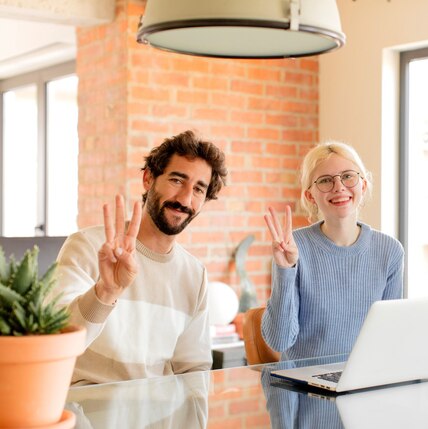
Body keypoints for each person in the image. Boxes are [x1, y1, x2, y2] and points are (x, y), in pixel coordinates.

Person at [55, 130, 228, 385]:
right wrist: (105, 292)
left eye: (199, 189)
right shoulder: (87, 247)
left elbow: (194, 373)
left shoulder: (194, 274)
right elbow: (57, 341)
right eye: (177, 180)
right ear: (148, 178)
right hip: (87, 416)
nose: (185, 199)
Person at [261, 141, 404, 361]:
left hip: (364, 384)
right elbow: (279, 341)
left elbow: (390, 337)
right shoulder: (292, 246)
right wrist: (285, 269)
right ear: (310, 196)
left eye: (348, 176)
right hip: (304, 386)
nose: (339, 187)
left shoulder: (390, 251)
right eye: (326, 180)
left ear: (362, 185)